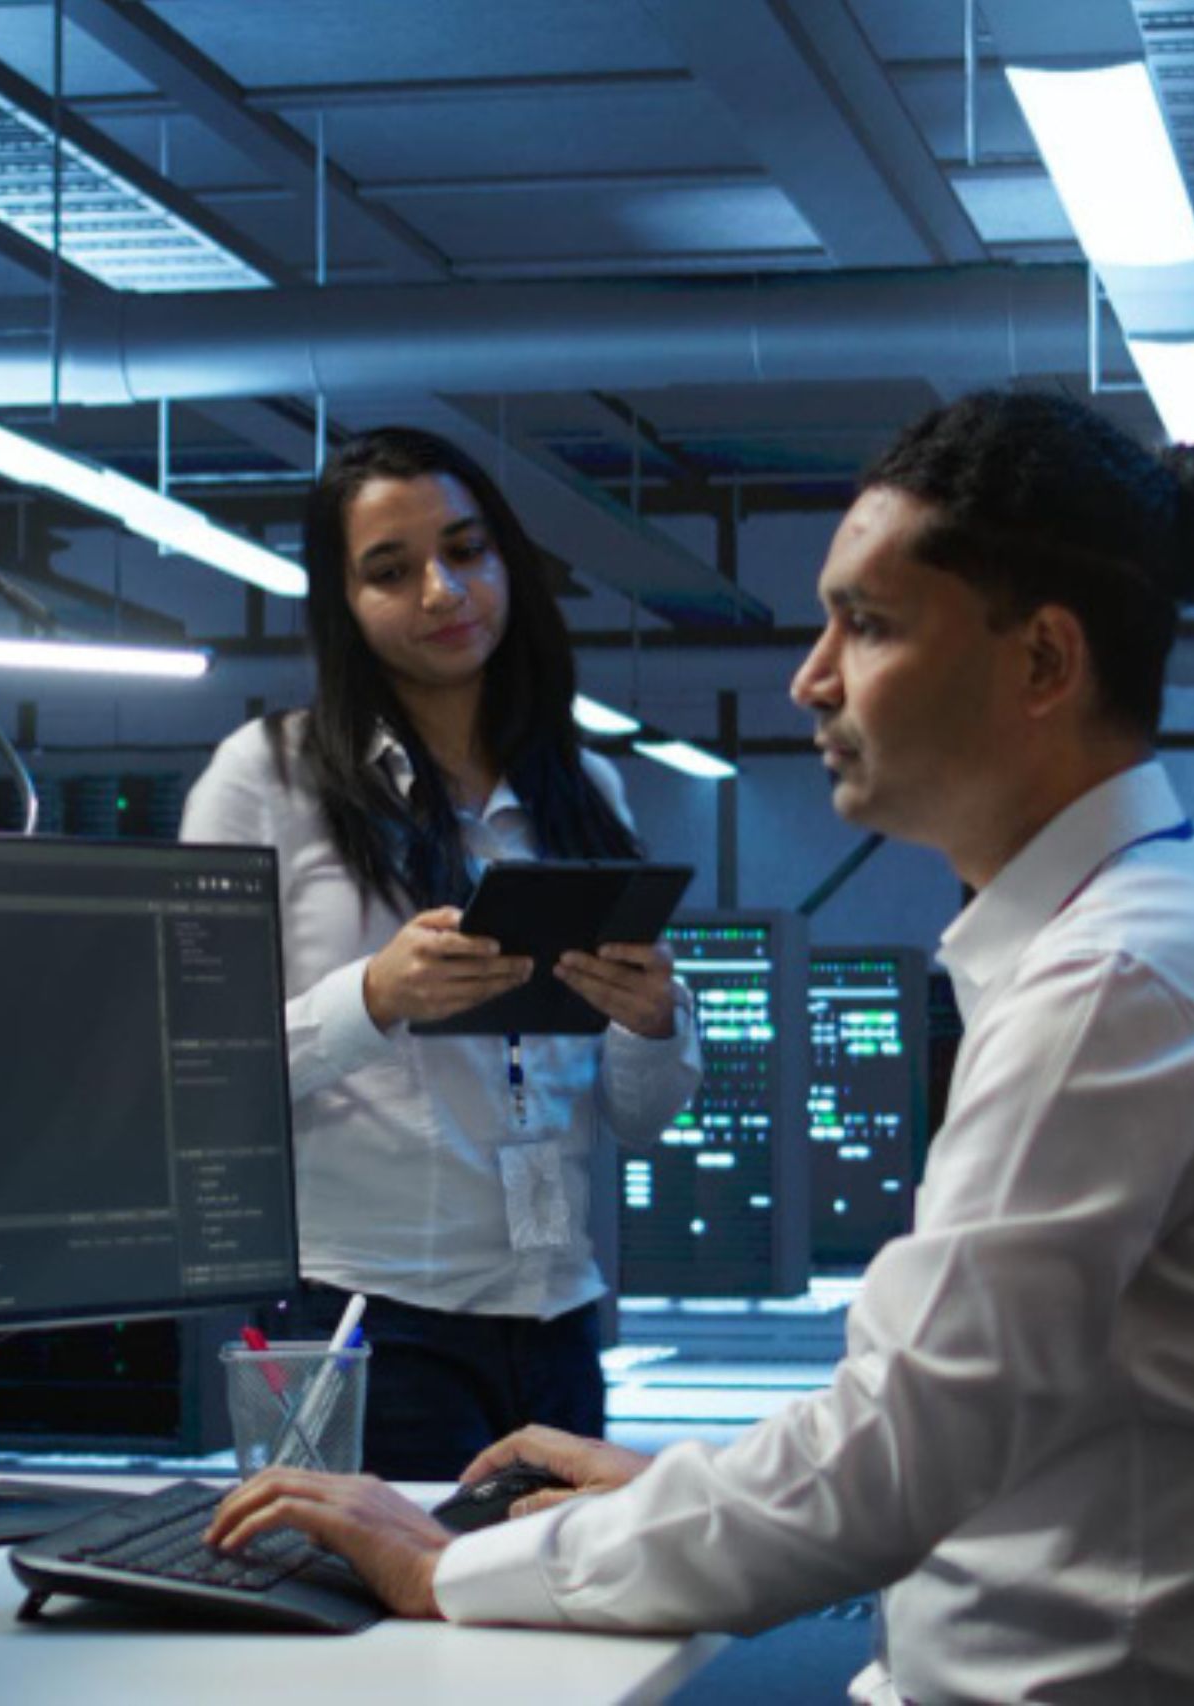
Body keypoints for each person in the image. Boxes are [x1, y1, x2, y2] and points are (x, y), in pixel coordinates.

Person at [207, 392, 1194, 1703]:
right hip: (373, 1304)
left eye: (869, 622)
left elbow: (882, 1467)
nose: (811, 675)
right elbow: (929, 1424)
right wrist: (675, 1494)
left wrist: (449, 1565)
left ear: (1041, 663)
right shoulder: (1144, 942)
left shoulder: (1111, 989)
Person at [179, 425, 701, 1481]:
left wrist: (651, 1020)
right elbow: (190, 1073)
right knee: (374, 1625)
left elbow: (638, 1113)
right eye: (391, 568)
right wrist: (370, 997)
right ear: (342, 600)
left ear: (506, 560)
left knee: (558, 1621)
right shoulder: (265, 779)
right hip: (363, 1310)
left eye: (465, 550)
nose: (441, 589)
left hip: (554, 1307)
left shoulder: (580, 791)